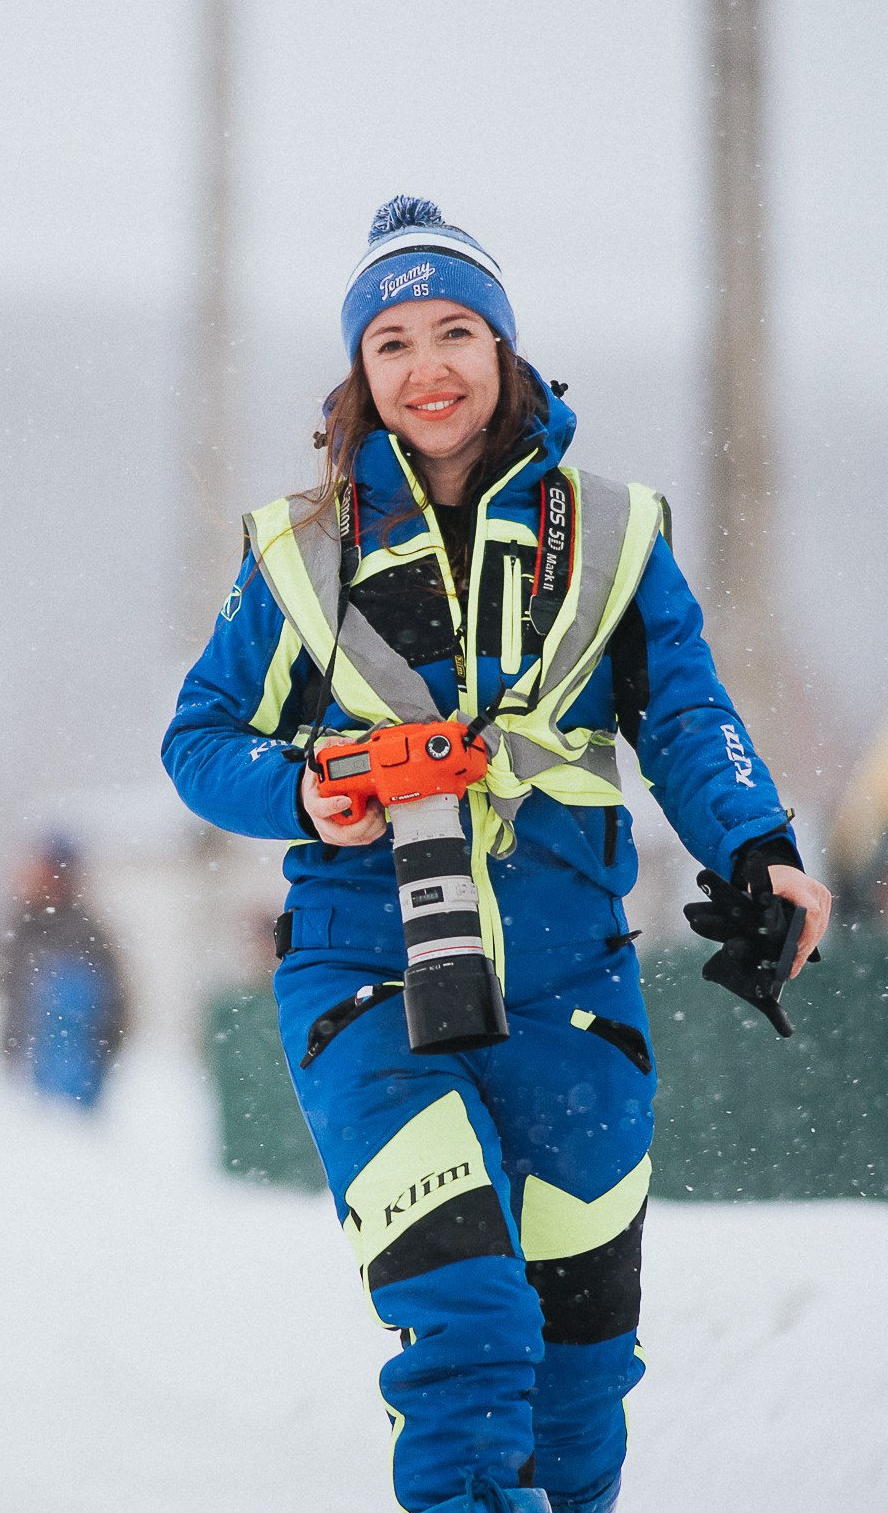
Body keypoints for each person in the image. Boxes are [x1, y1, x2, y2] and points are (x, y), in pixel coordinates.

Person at [162, 198, 832, 1513]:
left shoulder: (616, 533)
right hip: (370, 985)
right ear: (360, 374)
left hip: (574, 993)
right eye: (392, 340)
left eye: (455, 329)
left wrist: (762, 847)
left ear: (507, 351)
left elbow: (686, 714)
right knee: (468, 1333)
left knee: (578, 1386)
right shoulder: (301, 552)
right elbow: (198, 741)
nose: (427, 366)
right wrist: (309, 787)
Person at [0, 835, 131, 1110]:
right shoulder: (21, 929)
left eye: (49, 871)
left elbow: (115, 1008)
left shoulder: (85, 935)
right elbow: (6, 992)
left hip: (73, 1079)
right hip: (24, 1074)